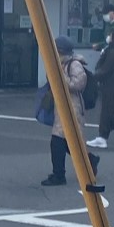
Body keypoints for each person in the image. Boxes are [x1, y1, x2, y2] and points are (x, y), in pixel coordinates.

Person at [42, 36, 101, 187]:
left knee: (58, 142)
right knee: (68, 143)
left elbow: (77, 84)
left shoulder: (74, 64)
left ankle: (59, 175)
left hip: (72, 108)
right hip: (61, 107)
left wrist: (59, 77)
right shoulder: (60, 63)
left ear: (61, 50)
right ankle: (89, 160)